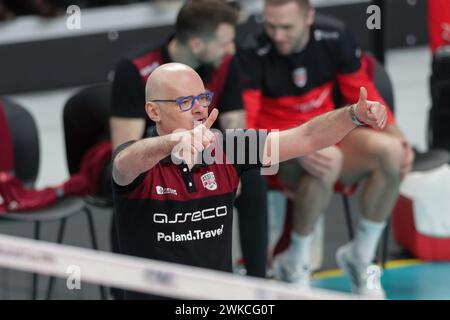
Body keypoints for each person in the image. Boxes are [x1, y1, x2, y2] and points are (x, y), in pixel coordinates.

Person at [112, 62, 387, 299]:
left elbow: (306, 137)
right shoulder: (139, 163)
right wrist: (174, 142)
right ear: (153, 111)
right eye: (185, 103)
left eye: (203, 99)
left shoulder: (229, 149)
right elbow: (125, 163)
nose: (199, 110)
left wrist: (353, 115)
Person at [237, 0, 415, 297]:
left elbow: (362, 93)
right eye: (270, 25)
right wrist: (296, 144)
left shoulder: (335, 36)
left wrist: (398, 136)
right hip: (279, 146)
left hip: (329, 134)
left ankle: (360, 258)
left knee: (392, 153)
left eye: (286, 27)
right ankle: (295, 261)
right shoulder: (252, 50)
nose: (277, 35)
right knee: (328, 160)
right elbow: (249, 126)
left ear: (309, 17)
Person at [109, 0, 269, 279]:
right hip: (148, 159)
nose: (231, 49)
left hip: (203, 153)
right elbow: (125, 148)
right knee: (135, 191)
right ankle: (125, 285)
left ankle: (257, 283)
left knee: (253, 180)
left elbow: (234, 127)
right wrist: (171, 146)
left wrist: (235, 169)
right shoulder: (135, 69)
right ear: (196, 45)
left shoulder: (225, 65)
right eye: (224, 42)